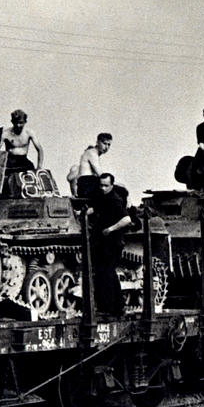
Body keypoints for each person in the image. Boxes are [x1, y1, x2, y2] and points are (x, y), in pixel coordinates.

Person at [89, 173, 131, 316]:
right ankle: (105, 307)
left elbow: (126, 219)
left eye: (106, 185)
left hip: (113, 242)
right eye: (101, 185)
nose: (102, 188)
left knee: (108, 273)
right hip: (103, 242)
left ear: (112, 185)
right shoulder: (103, 197)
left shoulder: (115, 199)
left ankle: (117, 307)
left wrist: (111, 229)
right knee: (102, 273)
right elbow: (97, 208)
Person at [76, 133, 113, 199]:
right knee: (120, 190)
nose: (106, 147)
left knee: (117, 190)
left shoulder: (93, 154)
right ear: (97, 142)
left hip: (87, 184)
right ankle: (130, 208)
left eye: (109, 144)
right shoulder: (92, 153)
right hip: (87, 185)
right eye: (104, 143)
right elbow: (101, 175)